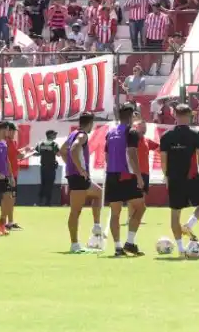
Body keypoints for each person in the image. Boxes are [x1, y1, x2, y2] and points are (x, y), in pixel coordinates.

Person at [160, 103, 199, 257]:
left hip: (175, 179)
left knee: (175, 214)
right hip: (192, 177)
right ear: (189, 116)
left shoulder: (167, 136)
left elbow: (163, 160)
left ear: (175, 115)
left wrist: (166, 176)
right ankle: (190, 224)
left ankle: (181, 249)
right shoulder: (195, 134)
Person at [105, 104, 147, 256]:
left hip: (111, 174)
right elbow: (131, 153)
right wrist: (139, 176)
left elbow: (106, 156)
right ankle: (129, 242)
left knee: (115, 213)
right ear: (131, 116)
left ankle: (117, 248)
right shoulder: (132, 132)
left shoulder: (110, 133)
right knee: (140, 207)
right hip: (126, 175)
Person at [63, 113, 105, 253]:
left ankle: (96, 225)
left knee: (99, 192)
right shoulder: (82, 135)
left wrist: (71, 165)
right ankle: (74, 244)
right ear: (90, 123)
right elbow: (74, 148)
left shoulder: (72, 133)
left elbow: (62, 151)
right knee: (75, 211)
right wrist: (79, 169)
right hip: (78, 177)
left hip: (77, 177)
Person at [35, 130, 59, 206]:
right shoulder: (54, 144)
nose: (55, 136)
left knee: (43, 184)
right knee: (50, 185)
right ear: (50, 135)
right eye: (54, 134)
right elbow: (58, 154)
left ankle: (40, 201)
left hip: (43, 167)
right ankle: (47, 202)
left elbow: (36, 153)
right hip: (51, 168)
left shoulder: (41, 144)